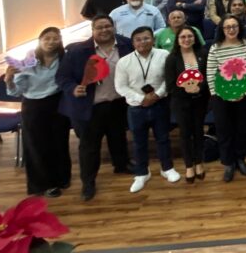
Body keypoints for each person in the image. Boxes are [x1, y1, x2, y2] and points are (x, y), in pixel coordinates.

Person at [56, 16, 133, 201]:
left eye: (107, 26)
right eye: (99, 27)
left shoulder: (126, 45)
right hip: (90, 106)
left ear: (113, 27)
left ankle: (121, 165)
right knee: (89, 147)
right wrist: (73, 88)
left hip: (118, 103)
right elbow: (62, 77)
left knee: (118, 138)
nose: (104, 30)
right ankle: (88, 182)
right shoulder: (77, 51)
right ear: (92, 30)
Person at [4, 27, 70, 197]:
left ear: (60, 41)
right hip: (33, 106)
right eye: (47, 38)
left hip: (57, 104)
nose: (51, 42)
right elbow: (16, 92)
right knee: (37, 145)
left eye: (55, 38)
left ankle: (62, 177)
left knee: (59, 143)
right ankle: (45, 184)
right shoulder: (28, 61)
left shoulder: (64, 59)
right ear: (40, 40)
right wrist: (9, 80)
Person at [114, 27, 179, 193]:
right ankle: (142, 173)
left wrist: (157, 95)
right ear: (133, 42)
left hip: (160, 104)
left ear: (153, 40)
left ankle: (167, 168)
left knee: (163, 138)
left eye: (146, 38)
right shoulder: (124, 62)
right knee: (138, 142)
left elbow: (169, 78)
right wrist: (141, 99)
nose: (142, 42)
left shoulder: (163, 55)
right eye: (138, 39)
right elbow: (121, 87)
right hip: (136, 108)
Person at [208, 15, 246, 182]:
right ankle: (228, 163)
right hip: (220, 97)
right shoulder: (215, 48)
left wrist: (244, 91)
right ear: (222, 29)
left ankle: (240, 158)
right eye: (227, 27)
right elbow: (211, 73)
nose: (231, 30)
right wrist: (219, 94)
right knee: (224, 130)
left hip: (243, 94)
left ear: (239, 28)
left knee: (242, 128)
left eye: (234, 26)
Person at [164, 26, 209, 183]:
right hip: (181, 102)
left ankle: (199, 163)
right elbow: (170, 85)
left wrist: (199, 88)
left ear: (195, 38)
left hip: (200, 100)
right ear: (177, 40)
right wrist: (187, 89)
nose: (187, 39)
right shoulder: (172, 58)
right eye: (183, 37)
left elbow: (208, 76)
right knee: (185, 133)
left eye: (190, 36)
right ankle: (189, 165)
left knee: (198, 132)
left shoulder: (203, 54)